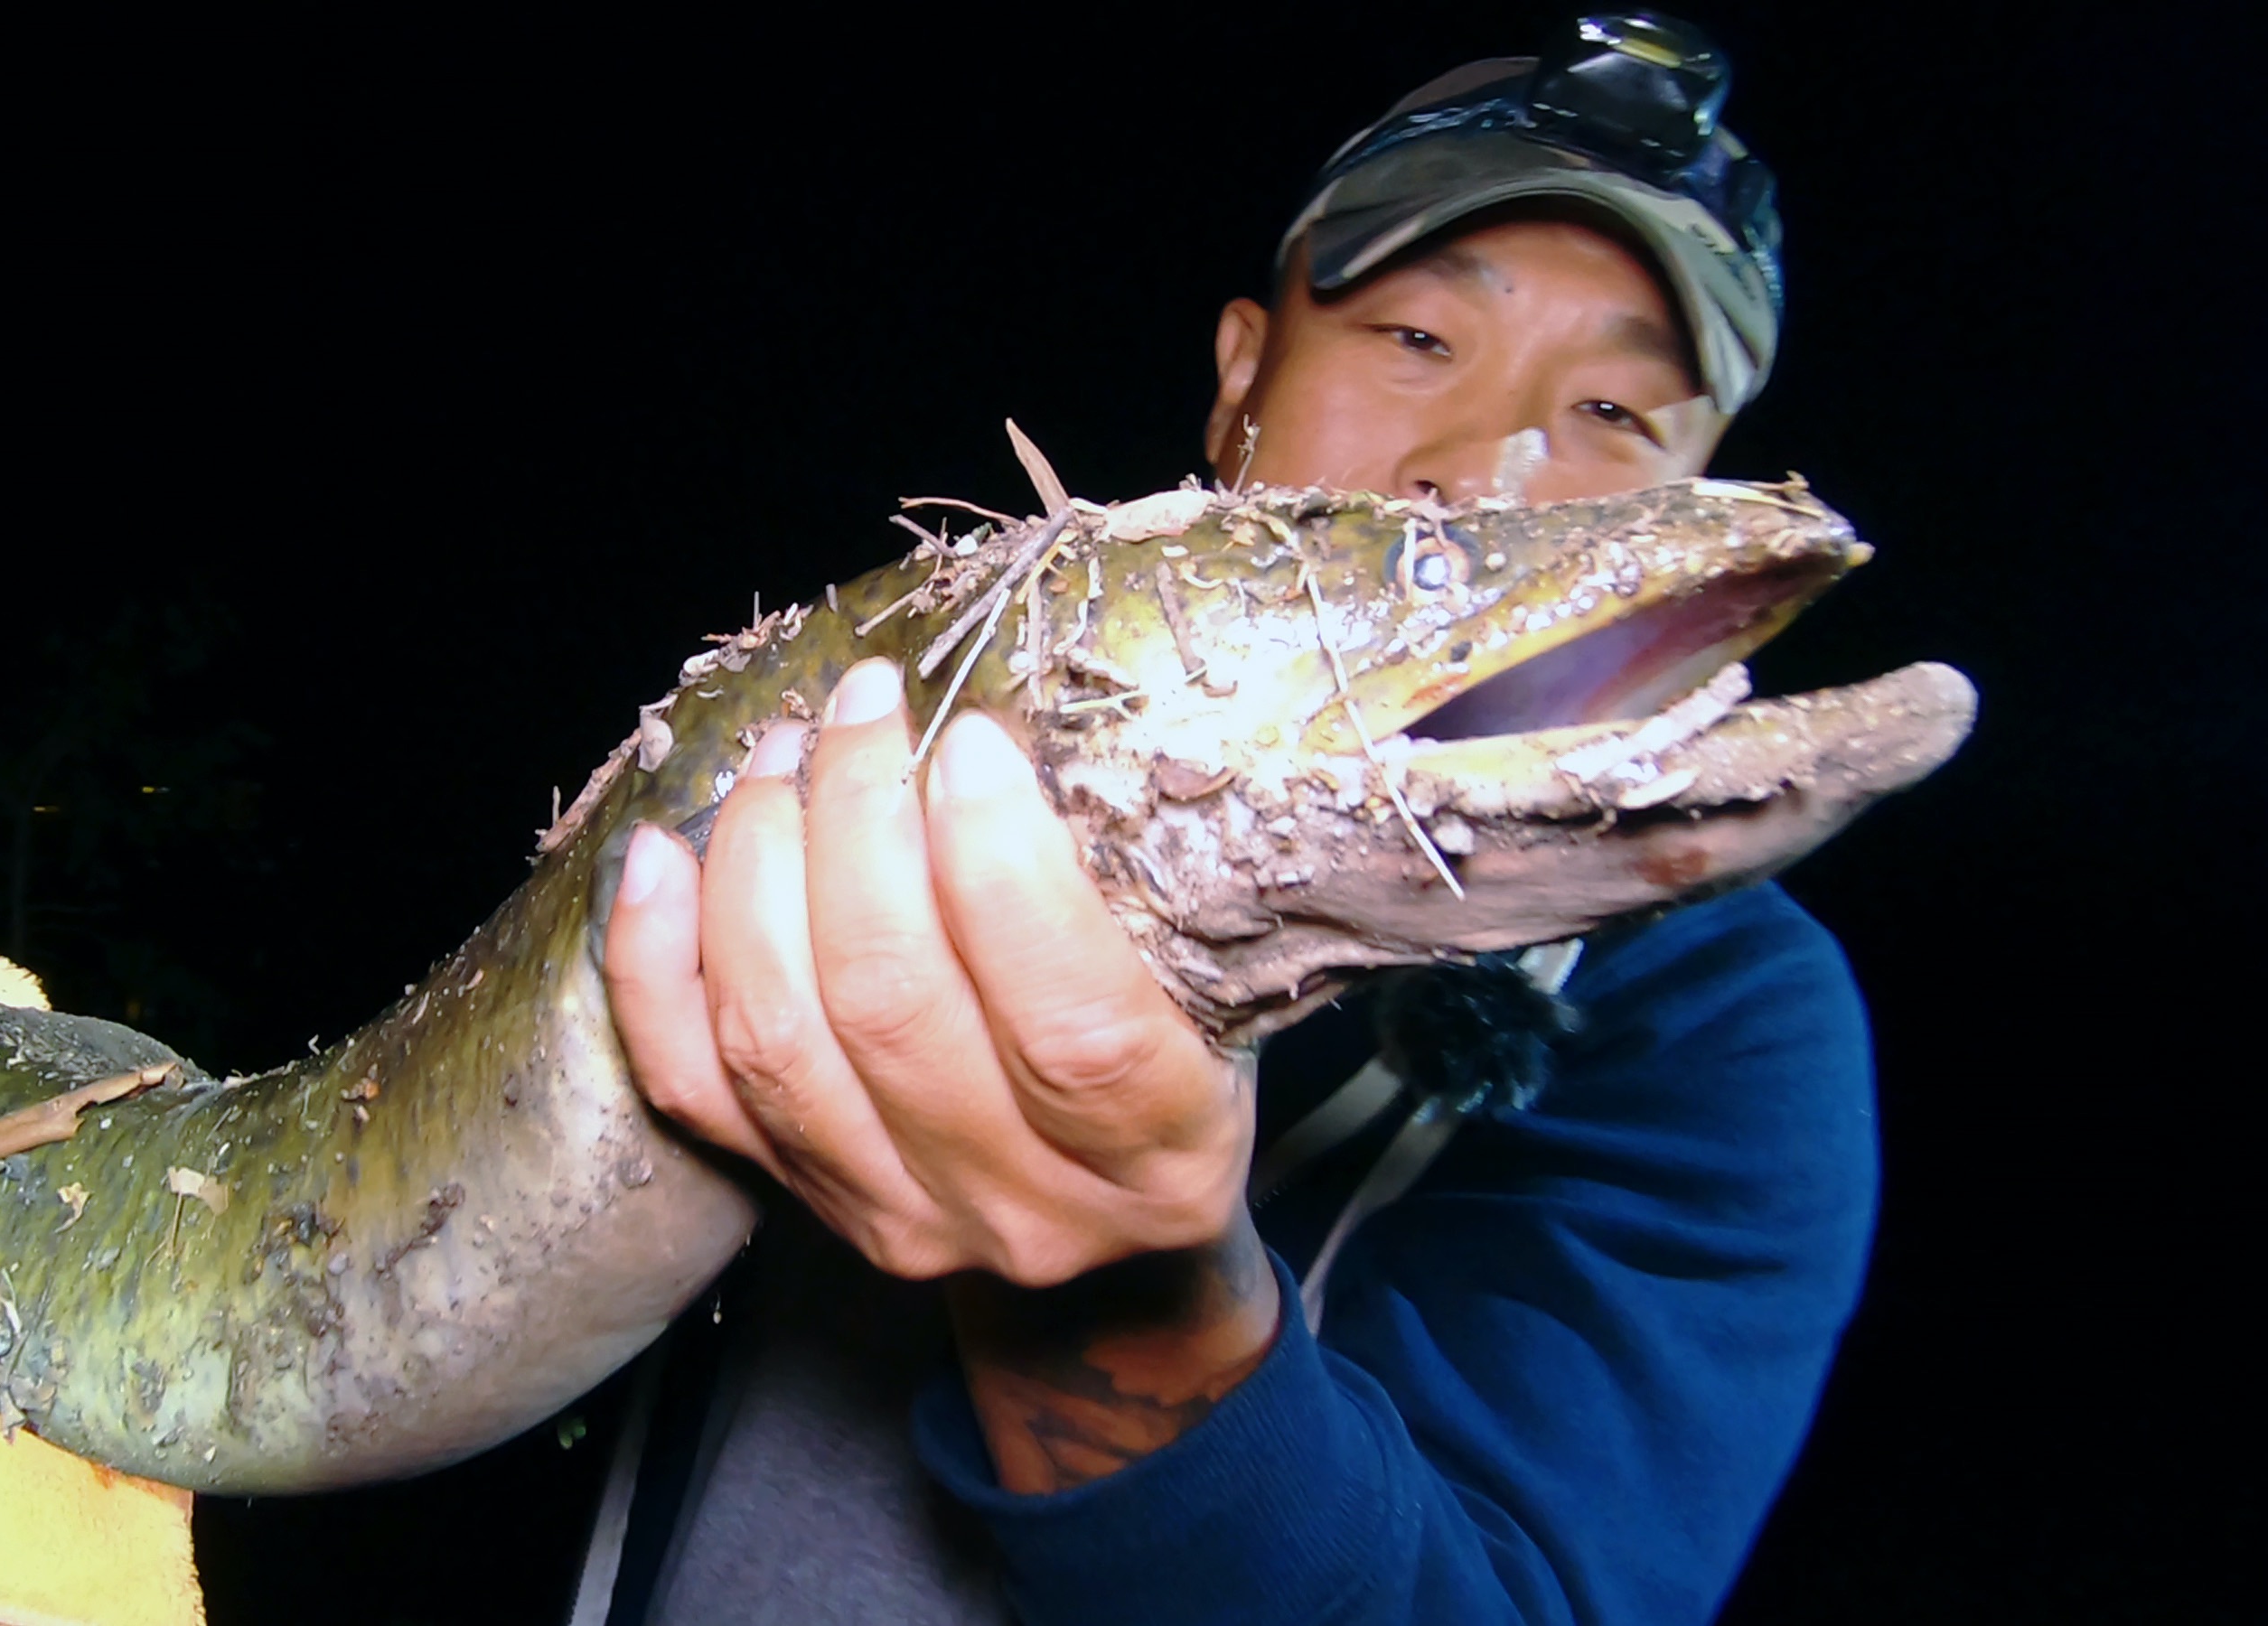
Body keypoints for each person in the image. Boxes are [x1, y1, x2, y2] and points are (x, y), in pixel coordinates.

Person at [595, 14, 1874, 1625]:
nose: (1488, 467)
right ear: (1240, 376)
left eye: (1620, 417)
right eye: (1418, 340)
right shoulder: (910, 720)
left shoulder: (1723, 1023)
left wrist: (1120, 1290)